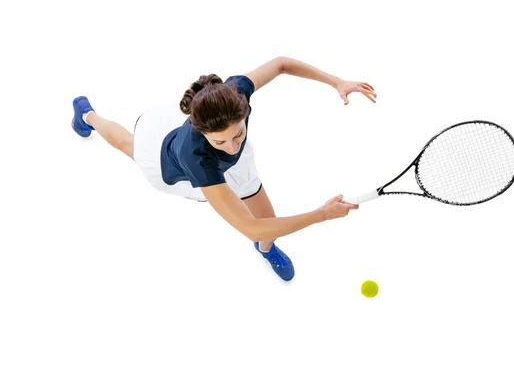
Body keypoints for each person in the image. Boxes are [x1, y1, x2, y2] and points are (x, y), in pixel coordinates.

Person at [71, 56, 377, 281]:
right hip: (168, 164)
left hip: (222, 159)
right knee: (129, 145)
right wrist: (320, 215)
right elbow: (249, 228)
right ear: (202, 131)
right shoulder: (197, 159)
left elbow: (281, 64)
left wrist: (336, 81)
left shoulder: (236, 93)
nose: (232, 145)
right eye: (221, 141)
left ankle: (266, 250)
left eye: (238, 134)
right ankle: (88, 116)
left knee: (268, 220)